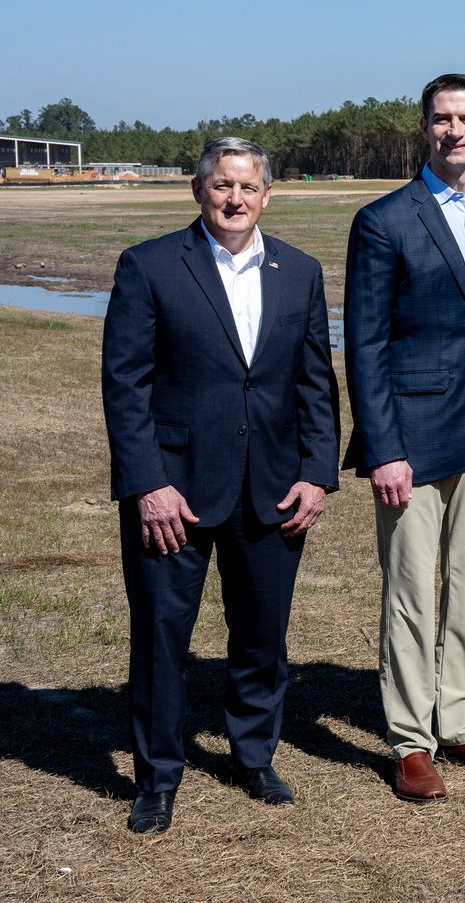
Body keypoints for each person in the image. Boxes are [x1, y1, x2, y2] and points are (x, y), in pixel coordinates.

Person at [102, 137, 338, 834]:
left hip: (270, 488)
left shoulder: (298, 270)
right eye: (221, 186)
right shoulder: (149, 266)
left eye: (248, 187)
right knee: (161, 638)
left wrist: (317, 473)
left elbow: (315, 384)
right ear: (198, 191)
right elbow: (125, 386)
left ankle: (254, 754)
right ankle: (158, 778)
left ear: (268, 195)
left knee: (262, 635)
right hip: (172, 493)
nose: (235, 199)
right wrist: (148, 484)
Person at [343, 73, 465, 802]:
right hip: (411, 441)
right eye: (441, 119)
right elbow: (366, 344)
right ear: (424, 129)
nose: (455, 131)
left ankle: (464, 721)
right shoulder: (385, 220)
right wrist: (383, 447)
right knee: (410, 594)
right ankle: (411, 740)